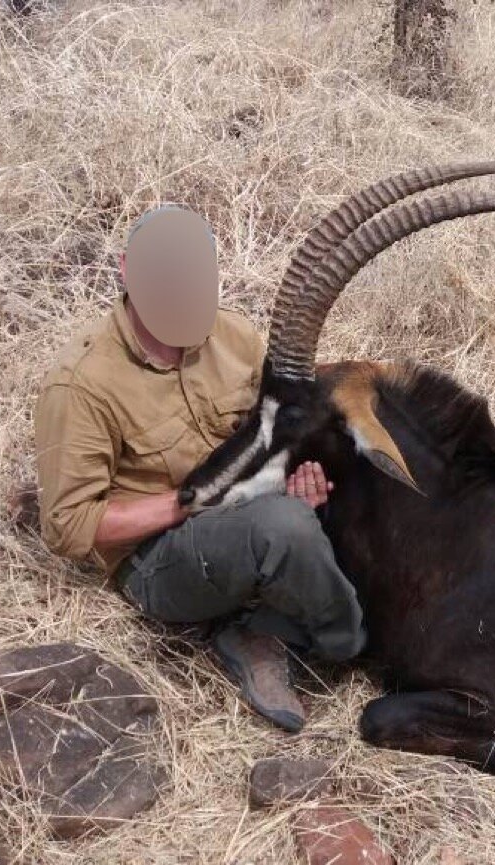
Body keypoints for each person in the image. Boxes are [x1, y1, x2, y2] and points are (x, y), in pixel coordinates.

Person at [33, 205, 365, 733]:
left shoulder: (234, 337)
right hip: (156, 560)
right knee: (282, 529)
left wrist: (297, 475)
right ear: (126, 270)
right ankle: (348, 647)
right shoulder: (81, 385)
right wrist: (194, 500)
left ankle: (261, 616)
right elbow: (67, 528)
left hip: (241, 509)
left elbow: (279, 425)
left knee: (343, 476)